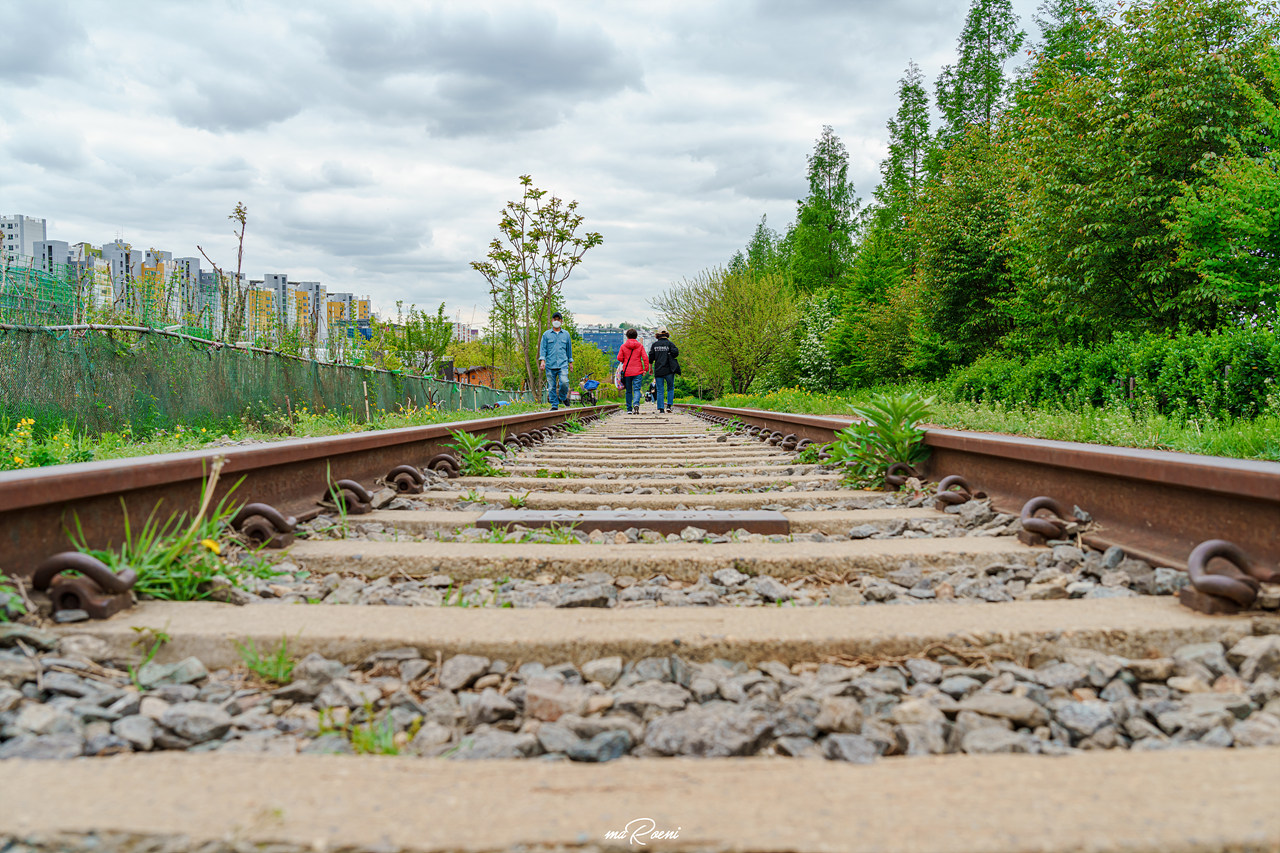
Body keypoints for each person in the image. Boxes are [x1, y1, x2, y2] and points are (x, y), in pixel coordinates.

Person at [538, 312, 573, 410]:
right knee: (552, 386)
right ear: (552, 321)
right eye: (555, 319)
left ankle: (562, 397)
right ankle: (554, 405)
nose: (556, 321)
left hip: (563, 364)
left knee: (564, 382)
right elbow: (543, 349)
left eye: (558, 319)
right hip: (550, 364)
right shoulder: (546, 334)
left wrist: (571, 363)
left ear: (561, 321)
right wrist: (542, 361)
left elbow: (569, 349)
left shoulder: (566, 335)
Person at [616, 327, 649, 414]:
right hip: (638, 371)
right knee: (637, 389)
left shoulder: (623, 346)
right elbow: (645, 358)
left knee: (629, 391)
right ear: (636, 336)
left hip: (627, 372)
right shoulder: (640, 346)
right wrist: (646, 369)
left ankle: (629, 409)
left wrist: (625, 359)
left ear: (627, 336)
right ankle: (636, 404)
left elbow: (619, 358)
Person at [648, 327, 680, 413]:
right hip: (669, 370)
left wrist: (650, 368)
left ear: (657, 334)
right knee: (670, 388)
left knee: (660, 389)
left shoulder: (654, 345)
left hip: (658, 370)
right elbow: (676, 353)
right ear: (667, 334)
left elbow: (651, 357)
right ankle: (669, 406)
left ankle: (661, 409)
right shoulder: (670, 344)